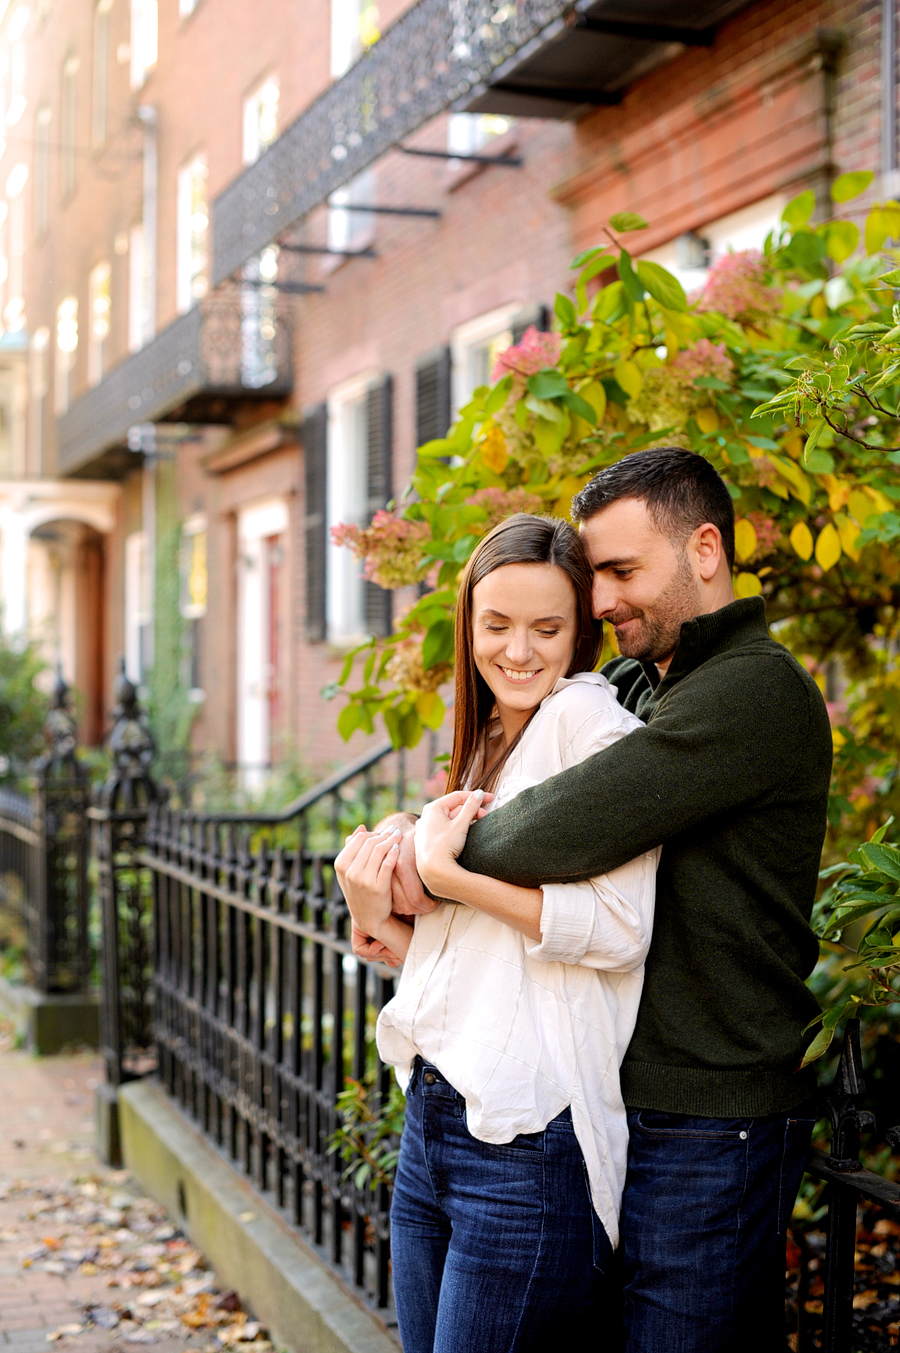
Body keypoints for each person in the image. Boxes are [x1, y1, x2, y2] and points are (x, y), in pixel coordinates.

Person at [368, 447, 833, 1353]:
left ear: (705, 549)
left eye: (624, 571)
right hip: (614, 1098)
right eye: (599, 575)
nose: (604, 599)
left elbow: (548, 827)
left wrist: (426, 859)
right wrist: (408, 837)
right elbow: (510, 792)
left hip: (712, 1116)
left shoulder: (753, 692)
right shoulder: (636, 683)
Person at [336, 513, 658, 1353]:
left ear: (582, 629)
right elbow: (497, 967)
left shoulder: (589, 724)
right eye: (497, 624)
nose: (519, 650)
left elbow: (620, 932)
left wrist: (450, 879)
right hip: (436, 1121)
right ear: (468, 623)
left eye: (548, 627)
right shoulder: (487, 741)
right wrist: (381, 918)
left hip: (528, 1146)